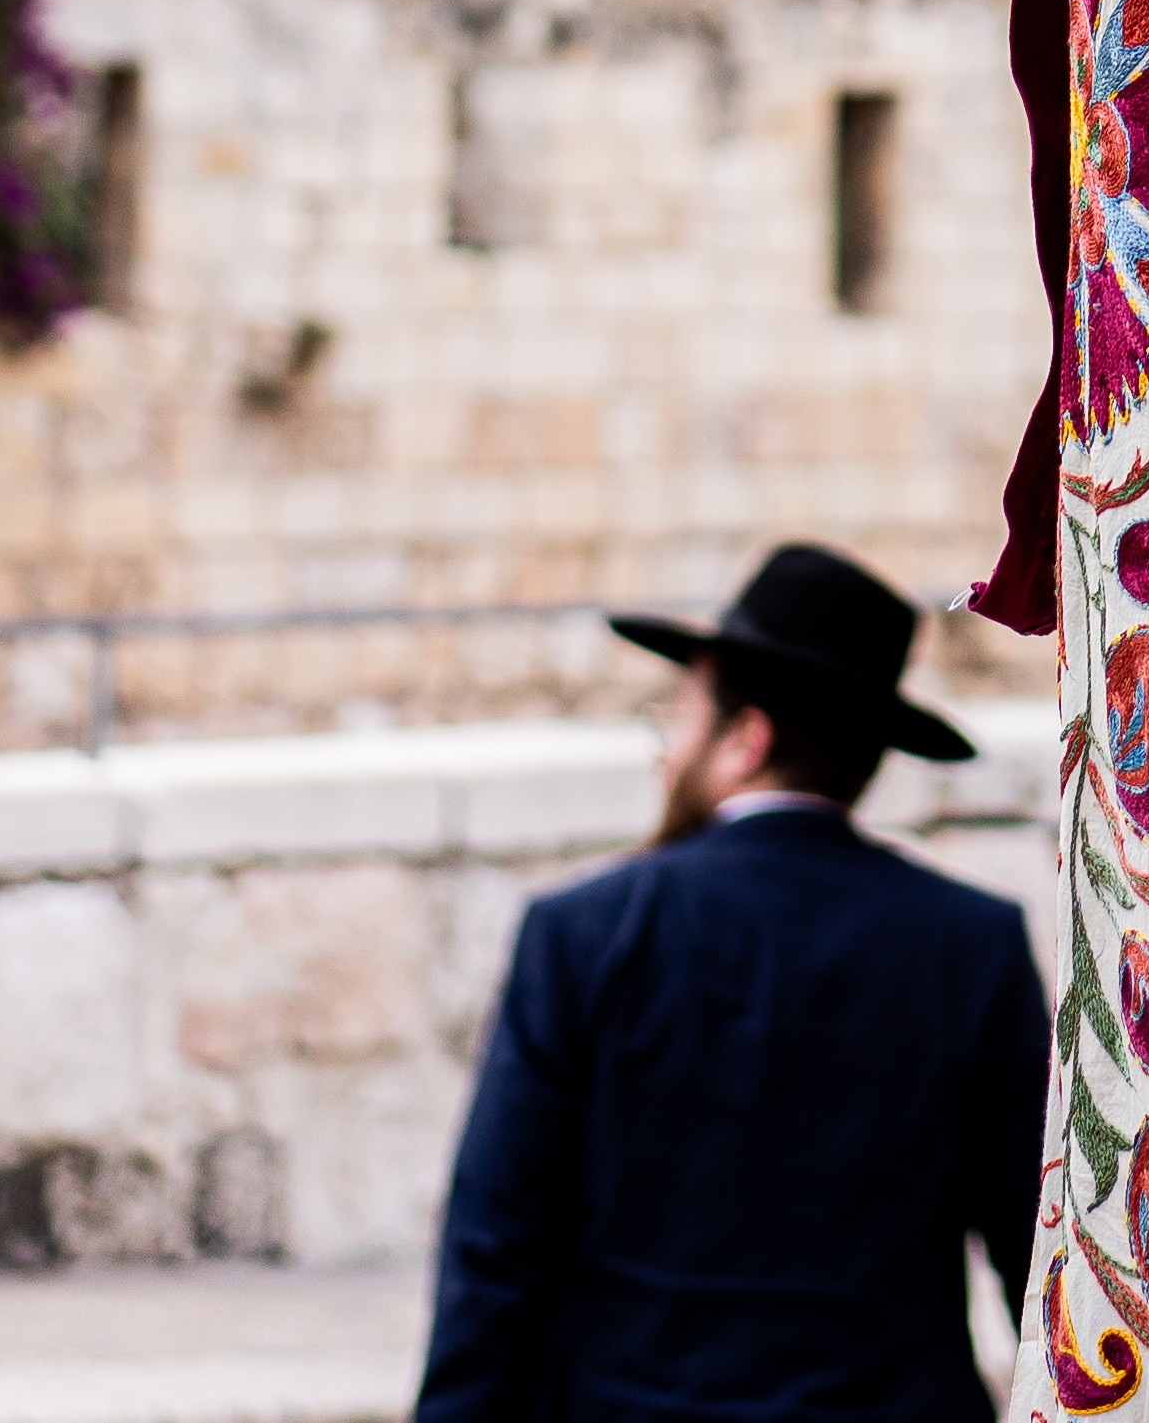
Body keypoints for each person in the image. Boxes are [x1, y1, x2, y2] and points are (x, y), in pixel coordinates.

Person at [416, 542, 1052, 1423]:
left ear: (746, 739)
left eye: (676, 719)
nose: (662, 752)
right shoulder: (972, 944)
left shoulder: (582, 934)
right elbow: (1039, 1253)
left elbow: (496, 1248)